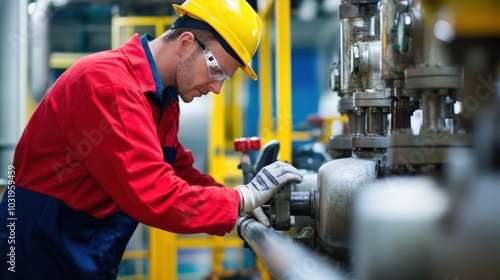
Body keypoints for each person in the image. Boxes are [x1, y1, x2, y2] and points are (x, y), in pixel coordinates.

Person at [0, 0, 303, 279]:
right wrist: (241, 199)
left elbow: (179, 171)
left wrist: (239, 204)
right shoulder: (109, 86)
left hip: (81, 249)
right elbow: (155, 193)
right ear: (186, 43)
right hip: (38, 252)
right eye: (216, 71)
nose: (216, 88)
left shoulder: (160, 99)